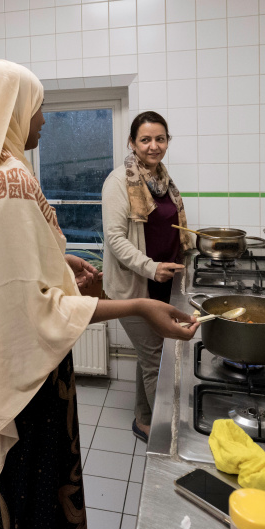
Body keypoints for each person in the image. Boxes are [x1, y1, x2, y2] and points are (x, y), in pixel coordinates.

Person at [0, 61, 199, 529]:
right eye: (37, 109)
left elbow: (1, 269)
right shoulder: (12, 184)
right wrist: (139, 307)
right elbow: (34, 310)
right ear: (12, 112)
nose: (42, 121)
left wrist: (58, 259)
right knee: (31, 506)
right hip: (25, 385)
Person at [101, 111, 194, 443]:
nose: (154, 146)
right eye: (145, 139)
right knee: (157, 357)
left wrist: (191, 247)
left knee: (151, 353)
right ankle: (166, 435)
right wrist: (151, 266)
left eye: (160, 138)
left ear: (168, 141)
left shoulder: (164, 180)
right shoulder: (118, 182)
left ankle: (143, 419)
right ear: (132, 142)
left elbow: (170, 226)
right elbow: (115, 239)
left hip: (164, 283)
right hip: (135, 287)